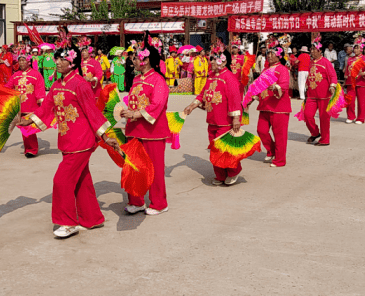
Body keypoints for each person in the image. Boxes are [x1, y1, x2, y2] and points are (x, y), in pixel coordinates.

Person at [16, 46, 115, 239]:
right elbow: (46, 108)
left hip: (82, 141)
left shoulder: (80, 84)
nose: (58, 63)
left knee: (62, 181)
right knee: (82, 180)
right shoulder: (56, 84)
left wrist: (105, 136)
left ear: (73, 62)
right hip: (67, 139)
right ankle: (92, 218)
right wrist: (27, 120)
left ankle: (68, 223)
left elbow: (93, 113)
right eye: (57, 59)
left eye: (63, 59)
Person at [121, 40, 170, 215]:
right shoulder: (135, 79)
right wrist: (126, 112)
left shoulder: (158, 80)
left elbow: (157, 104)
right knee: (134, 167)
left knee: (154, 168)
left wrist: (135, 114)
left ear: (146, 60)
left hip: (153, 131)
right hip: (134, 130)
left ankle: (159, 203)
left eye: (135, 58)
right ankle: (136, 201)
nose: (132, 61)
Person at [183, 49, 244, 186]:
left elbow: (235, 99)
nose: (211, 62)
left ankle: (234, 171)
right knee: (214, 149)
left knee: (226, 149)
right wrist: (192, 106)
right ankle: (220, 174)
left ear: (224, 61)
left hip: (225, 121)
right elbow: (202, 94)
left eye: (214, 59)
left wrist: (235, 118)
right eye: (211, 59)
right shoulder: (211, 76)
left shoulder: (229, 77)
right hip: (212, 120)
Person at [249, 46, 290, 167]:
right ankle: (271, 150)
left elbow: (284, 85)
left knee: (280, 135)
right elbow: (258, 86)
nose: (270, 55)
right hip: (265, 105)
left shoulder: (282, 69)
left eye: (272, 53)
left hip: (279, 107)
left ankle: (280, 160)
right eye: (269, 53)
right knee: (261, 130)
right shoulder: (265, 70)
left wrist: (276, 87)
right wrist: (250, 99)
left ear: (279, 56)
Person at [6, 54, 46, 158]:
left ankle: (32, 149)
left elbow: (40, 89)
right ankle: (28, 148)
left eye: (24, 60)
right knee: (23, 127)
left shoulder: (36, 74)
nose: (21, 62)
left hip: (31, 105)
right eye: (20, 60)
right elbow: (8, 87)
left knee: (29, 128)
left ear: (29, 62)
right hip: (19, 106)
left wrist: (41, 101)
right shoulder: (15, 75)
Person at [303, 41, 337, 146]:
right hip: (312, 95)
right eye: (311, 49)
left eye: (314, 49)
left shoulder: (326, 62)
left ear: (320, 51)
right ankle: (315, 133)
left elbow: (333, 75)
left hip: (324, 95)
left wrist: (332, 86)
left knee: (324, 118)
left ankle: (325, 139)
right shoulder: (311, 62)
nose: (312, 51)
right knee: (307, 115)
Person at [345, 43, 365, 124]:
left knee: (361, 102)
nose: (356, 50)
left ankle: (360, 118)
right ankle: (351, 116)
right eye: (355, 48)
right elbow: (347, 71)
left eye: (358, 48)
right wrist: (345, 79)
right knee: (350, 100)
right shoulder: (350, 59)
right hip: (351, 83)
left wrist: (362, 73)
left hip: (362, 82)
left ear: (361, 49)